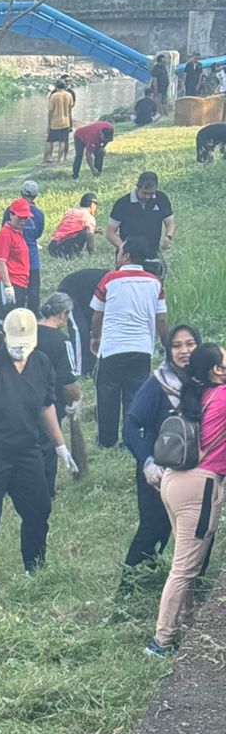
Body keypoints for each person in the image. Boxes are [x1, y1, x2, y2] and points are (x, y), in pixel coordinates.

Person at [0, 310, 78, 601]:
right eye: (15, 343)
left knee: (39, 509)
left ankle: (33, 568)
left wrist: (60, 446)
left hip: (27, 450)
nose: (19, 349)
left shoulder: (42, 364)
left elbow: (46, 407)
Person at [146, 342, 226, 658]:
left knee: (186, 562)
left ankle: (186, 623)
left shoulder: (197, 395)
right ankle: (160, 642)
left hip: (173, 481)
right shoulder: (222, 396)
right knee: (183, 569)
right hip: (200, 487)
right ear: (216, 370)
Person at [122, 325, 200, 581]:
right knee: (153, 529)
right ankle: (128, 589)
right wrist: (147, 463)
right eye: (177, 345)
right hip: (158, 471)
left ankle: (179, 584)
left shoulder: (206, 380)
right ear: (168, 350)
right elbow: (131, 425)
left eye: (190, 344)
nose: (184, 350)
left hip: (193, 471)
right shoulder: (158, 383)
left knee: (187, 530)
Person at [90, 236, 169, 449]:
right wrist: (165, 343)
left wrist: (94, 337)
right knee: (135, 395)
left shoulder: (109, 279)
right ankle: (131, 439)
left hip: (112, 348)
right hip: (141, 348)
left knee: (107, 393)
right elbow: (161, 319)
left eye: (119, 251)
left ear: (126, 256)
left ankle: (106, 440)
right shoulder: (155, 282)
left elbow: (97, 315)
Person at [34, 293, 83, 493]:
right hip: (49, 402)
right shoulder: (61, 342)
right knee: (47, 444)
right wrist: (76, 400)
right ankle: (46, 488)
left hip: (21, 396)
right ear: (64, 314)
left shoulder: (29, 331)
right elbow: (68, 382)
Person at [106, 172, 174, 277]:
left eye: (151, 193)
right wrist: (124, 248)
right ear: (137, 187)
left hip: (152, 252)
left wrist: (168, 237)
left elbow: (170, 223)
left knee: (155, 282)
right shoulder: (123, 203)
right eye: (144, 193)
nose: (147, 196)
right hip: (128, 256)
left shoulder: (161, 199)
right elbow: (110, 233)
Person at [1, 180, 45, 312]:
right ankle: (33, 314)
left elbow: (4, 227)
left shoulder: (10, 210)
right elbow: (39, 232)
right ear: (36, 195)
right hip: (32, 256)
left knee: (16, 290)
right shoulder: (38, 214)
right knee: (33, 289)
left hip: (13, 257)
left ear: (21, 193)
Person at [58, 262, 104, 375]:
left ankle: (92, 367)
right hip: (70, 293)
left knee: (94, 332)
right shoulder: (114, 283)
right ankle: (78, 371)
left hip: (88, 300)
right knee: (80, 331)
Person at [0, 200, 33, 309]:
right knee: (6, 316)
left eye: (25, 218)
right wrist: (7, 286)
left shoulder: (17, 232)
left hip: (20, 282)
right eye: (19, 217)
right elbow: (0, 262)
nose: (22, 221)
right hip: (11, 282)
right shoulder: (5, 234)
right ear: (11, 215)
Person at [48, 193, 98, 260]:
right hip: (66, 250)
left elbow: (70, 229)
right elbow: (89, 233)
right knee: (87, 231)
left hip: (53, 247)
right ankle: (73, 255)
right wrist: (91, 253)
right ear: (92, 205)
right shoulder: (89, 217)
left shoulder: (70, 211)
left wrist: (94, 230)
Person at [43, 80, 75, 164]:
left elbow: (50, 111)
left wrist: (49, 124)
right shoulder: (69, 95)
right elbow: (70, 110)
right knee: (63, 141)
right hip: (66, 122)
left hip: (55, 122)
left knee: (50, 141)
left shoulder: (54, 96)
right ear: (65, 86)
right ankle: (59, 159)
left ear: (56, 87)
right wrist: (71, 122)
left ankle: (45, 159)